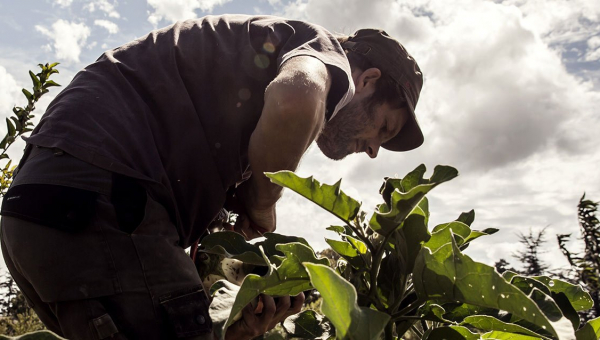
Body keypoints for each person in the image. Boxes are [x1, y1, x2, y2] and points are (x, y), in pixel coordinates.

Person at [0, 14, 423, 340]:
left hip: (37, 213)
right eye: (383, 129)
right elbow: (295, 101)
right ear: (366, 80)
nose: (372, 150)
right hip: (102, 198)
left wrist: (223, 326)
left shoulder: (232, 70)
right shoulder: (322, 50)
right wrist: (263, 200)